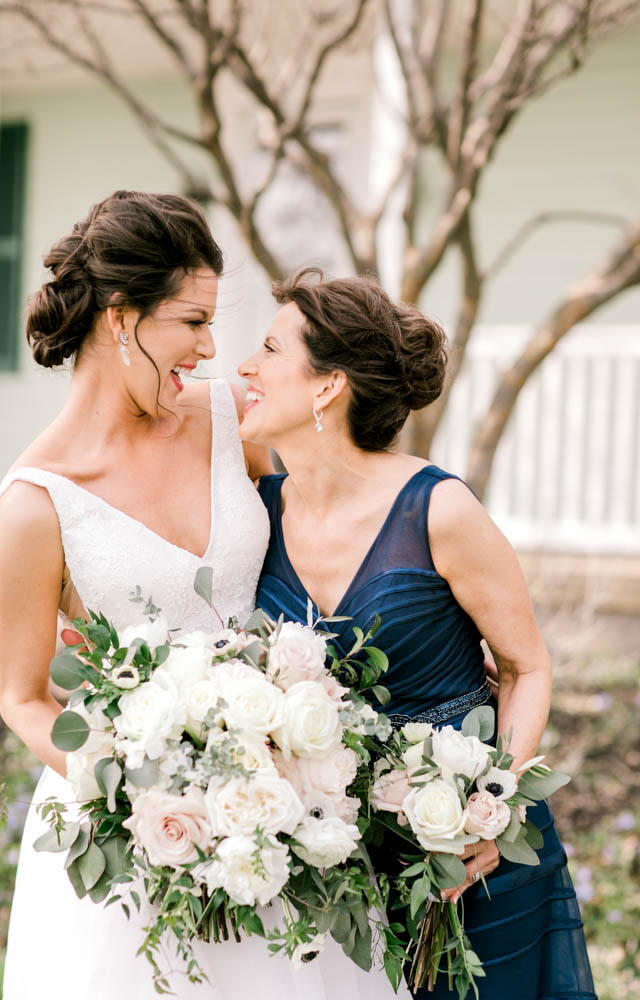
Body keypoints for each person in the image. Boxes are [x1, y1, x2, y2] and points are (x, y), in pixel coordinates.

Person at [0, 195, 406, 1000]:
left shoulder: (231, 418)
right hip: (136, 832)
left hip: (282, 796)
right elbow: (22, 698)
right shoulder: (34, 503)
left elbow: (346, 523)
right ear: (122, 319)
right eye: (192, 321)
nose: (213, 347)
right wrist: (143, 789)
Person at [239, 269, 597, 999]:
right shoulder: (256, 513)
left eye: (270, 349)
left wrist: (492, 809)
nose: (245, 366)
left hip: (469, 861)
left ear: (325, 387)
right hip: (332, 869)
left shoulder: (436, 509)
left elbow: (526, 667)